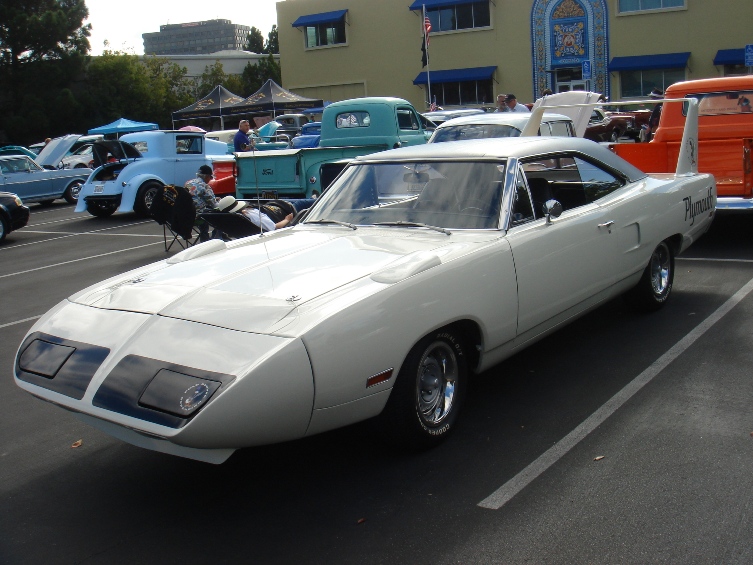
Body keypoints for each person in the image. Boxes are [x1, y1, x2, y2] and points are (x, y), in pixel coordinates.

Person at [216, 196, 294, 231]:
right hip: (282, 212)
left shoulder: (230, 221)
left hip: (273, 208)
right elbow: (275, 227)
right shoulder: (252, 215)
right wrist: (287, 219)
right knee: (300, 203)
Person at [184, 165, 219, 241]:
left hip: (185, 215)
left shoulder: (188, 183)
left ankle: (205, 237)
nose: (210, 179)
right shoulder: (205, 186)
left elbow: (196, 197)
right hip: (198, 216)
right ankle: (215, 237)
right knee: (221, 214)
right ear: (207, 176)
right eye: (210, 177)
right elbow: (214, 204)